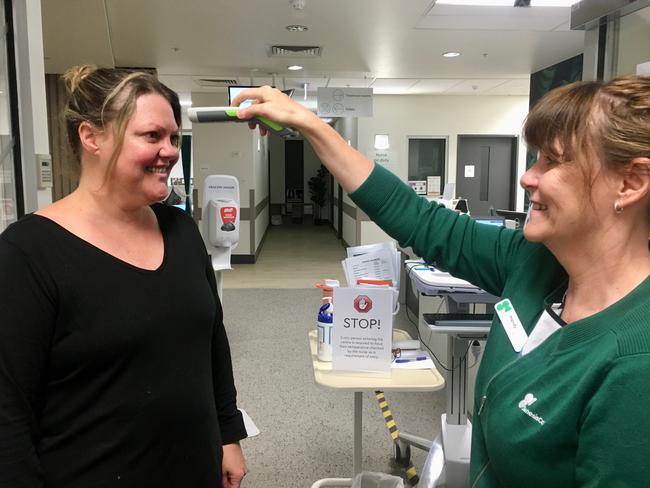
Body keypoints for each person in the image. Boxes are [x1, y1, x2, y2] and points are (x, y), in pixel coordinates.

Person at [233, 76, 650, 486]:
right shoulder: (534, 263)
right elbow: (418, 218)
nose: (528, 177)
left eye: (552, 161)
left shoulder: (635, 363)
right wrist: (310, 124)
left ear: (630, 183)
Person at [0, 66, 248, 488]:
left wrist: (228, 434)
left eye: (173, 137)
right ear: (91, 137)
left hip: (193, 467)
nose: (169, 150)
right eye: (152, 136)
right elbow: (7, 413)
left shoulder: (181, 231)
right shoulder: (28, 253)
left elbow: (211, 342)